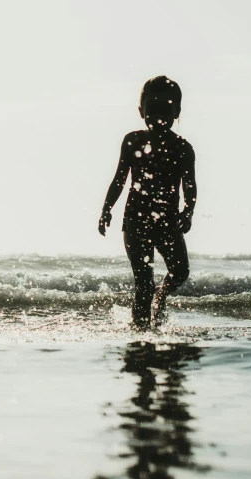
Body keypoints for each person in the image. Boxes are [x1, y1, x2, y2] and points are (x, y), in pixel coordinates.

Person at [98, 76, 197, 330]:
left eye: (166, 109)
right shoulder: (133, 141)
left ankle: (161, 297)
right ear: (141, 111)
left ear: (177, 112)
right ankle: (141, 336)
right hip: (135, 219)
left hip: (167, 220)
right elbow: (119, 179)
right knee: (143, 281)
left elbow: (189, 186)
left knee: (180, 271)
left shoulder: (183, 148)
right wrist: (106, 209)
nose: (158, 116)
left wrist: (188, 211)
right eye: (152, 109)